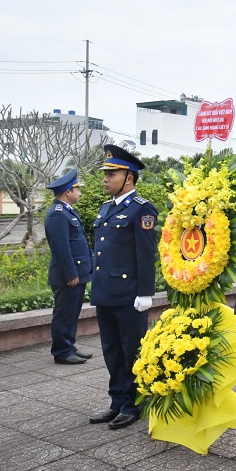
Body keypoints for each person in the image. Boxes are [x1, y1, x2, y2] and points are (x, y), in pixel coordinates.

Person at [88, 145, 158, 430]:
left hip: (129, 296)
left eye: (111, 173)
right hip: (106, 293)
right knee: (112, 351)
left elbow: (146, 253)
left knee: (132, 352)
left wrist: (145, 292)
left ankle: (133, 404)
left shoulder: (142, 209)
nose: (105, 178)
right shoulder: (107, 208)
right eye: (105, 173)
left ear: (128, 177)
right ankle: (117, 400)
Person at [44, 168, 93, 365]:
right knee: (64, 314)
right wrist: (71, 273)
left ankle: (69, 346)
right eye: (77, 189)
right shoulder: (57, 214)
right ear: (68, 192)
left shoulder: (66, 211)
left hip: (76, 273)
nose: (79, 193)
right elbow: (61, 248)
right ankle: (62, 352)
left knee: (72, 313)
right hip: (68, 275)